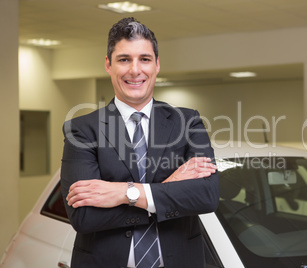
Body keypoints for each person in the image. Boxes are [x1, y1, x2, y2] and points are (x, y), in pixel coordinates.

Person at [60, 17, 219, 268]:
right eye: (124, 59)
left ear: (156, 65)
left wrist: (124, 193)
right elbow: (84, 216)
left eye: (144, 59)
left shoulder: (187, 122)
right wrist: (167, 188)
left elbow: (206, 196)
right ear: (108, 65)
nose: (135, 70)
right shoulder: (82, 130)